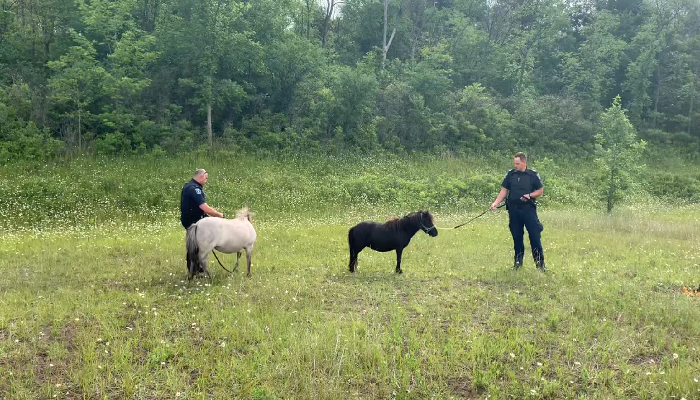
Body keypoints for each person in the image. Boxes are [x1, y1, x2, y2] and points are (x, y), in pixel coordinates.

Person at [490, 152, 545, 271]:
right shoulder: (511, 174)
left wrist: (530, 195)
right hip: (514, 211)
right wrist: (496, 203)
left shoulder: (532, 175)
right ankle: (518, 263)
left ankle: (540, 265)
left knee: (535, 236)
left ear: (524, 162)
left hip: (528, 210)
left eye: (518, 163)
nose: (515, 165)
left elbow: (540, 191)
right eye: (514, 163)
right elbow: (504, 190)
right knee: (517, 237)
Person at [180, 169, 224, 273]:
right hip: (193, 221)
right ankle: (194, 269)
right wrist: (219, 215)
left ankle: (196, 269)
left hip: (190, 219)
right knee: (195, 245)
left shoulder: (188, 186)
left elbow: (196, 207)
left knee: (195, 244)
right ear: (201, 176)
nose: (206, 180)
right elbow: (204, 207)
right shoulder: (194, 189)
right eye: (206, 178)